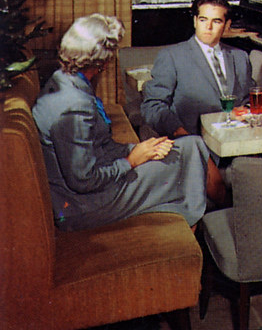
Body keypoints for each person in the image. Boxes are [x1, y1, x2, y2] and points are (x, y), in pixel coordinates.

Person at [32, 14, 210, 231]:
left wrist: (139, 148)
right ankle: (198, 224)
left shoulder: (63, 79)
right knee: (189, 159)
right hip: (82, 206)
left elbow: (95, 147)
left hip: (84, 191)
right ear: (102, 61)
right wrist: (131, 160)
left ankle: (196, 215)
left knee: (191, 146)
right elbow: (83, 181)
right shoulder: (73, 107)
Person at [142, 0, 262, 202]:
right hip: (204, 141)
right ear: (195, 20)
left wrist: (247, 109)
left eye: (217, 21)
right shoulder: (172, 56)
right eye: (203, 20)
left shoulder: (239, 57)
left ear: (227, 25)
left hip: (242, 132)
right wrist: (182, 134)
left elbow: (248, 97)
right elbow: (152, 106)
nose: (208, 27)